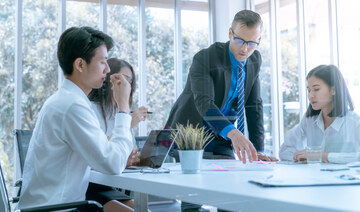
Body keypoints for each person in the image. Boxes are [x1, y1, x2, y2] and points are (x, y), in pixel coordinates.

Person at [18, 26, 134, 212]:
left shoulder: (67, 100)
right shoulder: (72, 106)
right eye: (102, 62)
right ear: (80, 65)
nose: (108, 69)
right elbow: (113, 164)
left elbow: (104, 154)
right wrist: (123, 108)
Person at [166, 10, 277, 163]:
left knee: (228, 179)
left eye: (251, 43)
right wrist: (234, 133)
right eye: (239, 40)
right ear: (230, 33)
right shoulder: (206, 58)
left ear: (259, 40)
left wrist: (257, 150)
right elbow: (204, 102)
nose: (245, 49)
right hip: (189, 135)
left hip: (221, 136)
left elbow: (254, 106)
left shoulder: (255, 60)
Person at [86, 58, 149, 210]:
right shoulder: (89, 110)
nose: (127, 85)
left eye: (130, 81)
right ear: (109, 80)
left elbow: (124, 151)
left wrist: (129, 158)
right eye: (123, 79)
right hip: (88, 187)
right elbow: (100, 152)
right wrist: (130, 123)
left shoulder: (118, 114)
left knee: (144, 210)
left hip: (108, 186)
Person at [279, 65, 360, 164]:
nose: (310, 95)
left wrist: (321, 156)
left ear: (333, 90)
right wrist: (303, 157)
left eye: (316, 89)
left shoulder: (355, 123)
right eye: (309, 90)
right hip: (316, 178)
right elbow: (284, 151)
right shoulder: (310, 120)